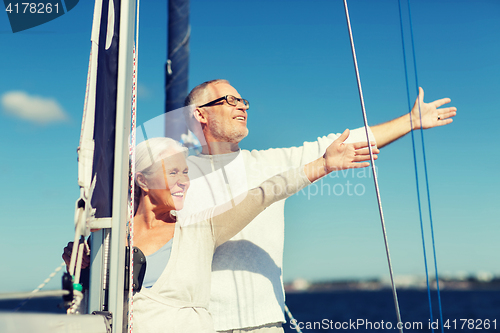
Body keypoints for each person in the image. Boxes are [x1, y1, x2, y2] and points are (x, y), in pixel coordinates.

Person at [181, 79, 457, 333]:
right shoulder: (175, 175)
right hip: (199, 324)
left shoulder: (268, 163)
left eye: (243, 101)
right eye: (229, 100)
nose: (241, 105)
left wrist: (411, 121)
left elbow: (340, 144)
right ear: (200, 114)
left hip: (265, 324)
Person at [64, 135, 379, 333]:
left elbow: (263, 193)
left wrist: (323, 165)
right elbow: (88, 306)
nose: (183, 180)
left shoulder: (199, 227)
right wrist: (78, 273)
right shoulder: (111, 239)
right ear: (143, 182)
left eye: (186, 171)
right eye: (172, 171)